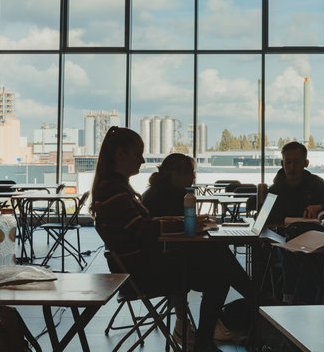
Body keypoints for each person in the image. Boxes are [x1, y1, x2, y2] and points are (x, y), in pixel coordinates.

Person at [90, 127, 246, 352]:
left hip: (140, 269)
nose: (142, 160)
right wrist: (185, 223)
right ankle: (259, 305)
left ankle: (218, 330)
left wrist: (187, 221)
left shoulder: (113, 188)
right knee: (219, 264)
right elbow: (142, 230)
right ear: (119, 154)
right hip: (145, 274)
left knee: (218, 264)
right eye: (137, 154)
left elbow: (145, 225)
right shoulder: (114, 191)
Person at [268, 141, 324, 304]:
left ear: (306, 163)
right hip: (284, 238)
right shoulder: (274, 189)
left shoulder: (316, 184)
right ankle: (290, 295)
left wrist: (320, 206)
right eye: (288, 162)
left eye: (297, 162)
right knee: (294, 251)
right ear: (282, 163)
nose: (292, 167)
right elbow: (264, 216)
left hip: (316, 236)